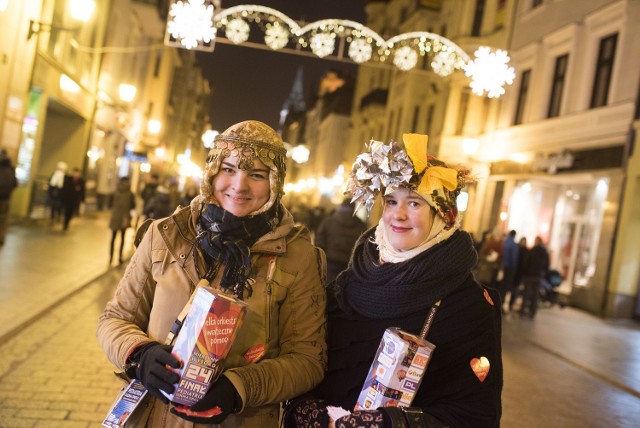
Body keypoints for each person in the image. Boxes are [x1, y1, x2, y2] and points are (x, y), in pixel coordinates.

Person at [97, 120, 327, 427]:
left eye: (257, 175)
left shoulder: (297, 256)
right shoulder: (165, 235)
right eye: (229, 169)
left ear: (275, 183)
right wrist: (140, 353)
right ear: (212, 171)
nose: (239, 186)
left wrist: (240, 387)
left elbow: (308, 360)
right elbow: (115, 319)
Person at [287, 134, 502, 428]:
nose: (398, 215)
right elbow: (308, 363)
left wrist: (389, 424)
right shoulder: (347, 285)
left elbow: (476, 414)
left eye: (415, 203)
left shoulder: (468, 305)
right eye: (391, 201)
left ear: (443, 216)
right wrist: (304, 408)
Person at [315, 198, 366, 283]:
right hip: (348, 263)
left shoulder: (328, 221)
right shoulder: (361, 226)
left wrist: (319, 260)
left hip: (329, 261)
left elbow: (319, 241)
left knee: (326, 286)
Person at [519, 236, 550, 319]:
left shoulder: (532, 251)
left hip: (530, 275)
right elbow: (547, 266)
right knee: (535, 295)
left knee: (526, 293)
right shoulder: (544, 253)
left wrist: (524, 273)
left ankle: (522, 311)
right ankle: (532, 312)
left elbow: (526, 263)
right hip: (538, 276)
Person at [108, 176, 136, 265]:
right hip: (124, 217)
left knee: (113, 237)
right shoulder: (130, 193)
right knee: (123, 238)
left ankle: (111, 258)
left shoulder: (115, 191)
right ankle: (120, 257)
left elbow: (109, 204)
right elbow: (133, 206)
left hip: (115, 217)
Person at [0, 149, 18, 245]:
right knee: (3, 219)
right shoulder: (11, 169)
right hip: (5, 198)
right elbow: (15, 183)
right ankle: (1, 238)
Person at [500, 230, 519, 313]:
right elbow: (514, 258)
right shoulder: (513, 245)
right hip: (509, 268)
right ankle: (502, 304)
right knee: (506, 287)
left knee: (500, 286)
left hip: (502, 267)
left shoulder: (504, 242)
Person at [508, 237, 528, 312]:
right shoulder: (517, 249)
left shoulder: (526, 251)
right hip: (514, 272)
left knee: (516, 289)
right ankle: (510, 303)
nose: (523, 243)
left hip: (519, 274)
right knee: (511, 288)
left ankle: (511, 303)